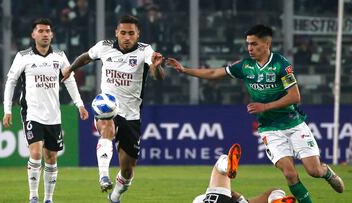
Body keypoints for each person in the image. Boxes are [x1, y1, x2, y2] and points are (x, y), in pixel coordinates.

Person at [167, 24, 344, 203]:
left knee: (314, 171)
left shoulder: (281, 65)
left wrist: (265, 107)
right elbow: (214, 72)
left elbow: (295, 96)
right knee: (290, 173)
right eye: (248, 44)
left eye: (254, 44)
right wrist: (185, 70)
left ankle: (327, 172)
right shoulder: (245, 66)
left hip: (294, 123)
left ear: (267, 44)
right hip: (269, 128)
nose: (250, 48)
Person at [61, 15, 165, 203]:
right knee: (107, 128)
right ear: (116, 32)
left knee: (128, 170)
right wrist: (70, 68)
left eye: (131, 33)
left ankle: (115, 196)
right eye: (123, 33)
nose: (127, 37)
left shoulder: (145, 51)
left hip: (132, 115)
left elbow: (159, 76)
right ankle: (103, 176)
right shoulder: (105, 46)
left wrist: (157, 67)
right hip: (107, 106)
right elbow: (86, 57)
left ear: (138, 34)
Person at [3, 18, 89, 203]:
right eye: (40, 31)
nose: (44, 34)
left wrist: (79, 104)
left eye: (47, 31)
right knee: (35, 153)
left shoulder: (59, 56)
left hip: (53, 115)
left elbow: (70, 79)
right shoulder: (23, 56)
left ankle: (48, 198)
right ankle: (33, 196)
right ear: (33, 34)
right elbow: (11, 82)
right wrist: (7, 109)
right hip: (32, 112)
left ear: (52, 34)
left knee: (51, 157)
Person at [193, 143, 296, 203]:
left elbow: (237, 198)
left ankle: (276, 199)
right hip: (215, 200)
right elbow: (232, 195)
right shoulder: (199, 199)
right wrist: (236, 196)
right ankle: (227, 165)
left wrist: (239, 197)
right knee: (220, 163)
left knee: (275, 190)